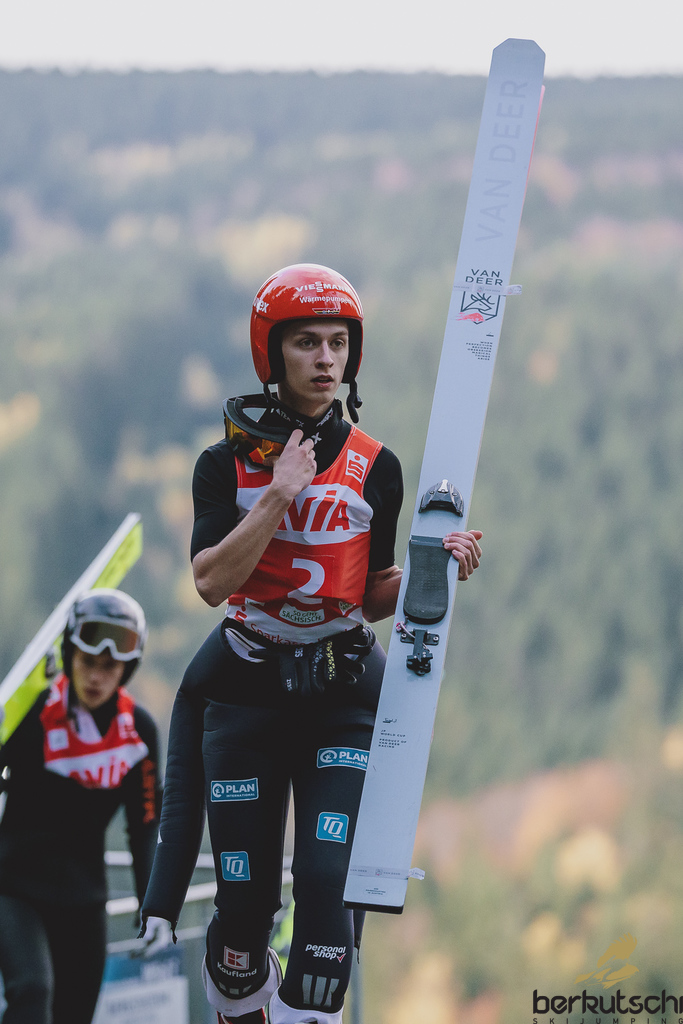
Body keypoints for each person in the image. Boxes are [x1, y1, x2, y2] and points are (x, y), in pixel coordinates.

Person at [141, 263, 482, 1024]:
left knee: (327, 884)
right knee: (242, 911)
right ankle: (243, 988)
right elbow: (210, 582)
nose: (326, 359)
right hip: (246, 694)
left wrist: (431, 569)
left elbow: (369, 594)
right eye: (306, 343)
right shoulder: (222, 465)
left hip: (339, 693)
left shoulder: (377, 466)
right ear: (273, 353)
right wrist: (279, 493)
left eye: (338, 343)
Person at [0, 588, 163, 1024]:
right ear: (69, 657)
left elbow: (144, 825)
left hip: (83, 900)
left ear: (126, 669)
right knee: (32, 992)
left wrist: (154, 905)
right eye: (87, 662)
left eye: (109, 667)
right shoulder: (31, 713)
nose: (95, 677)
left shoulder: (138, 733)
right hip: (13, 889)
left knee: (74, 1015)